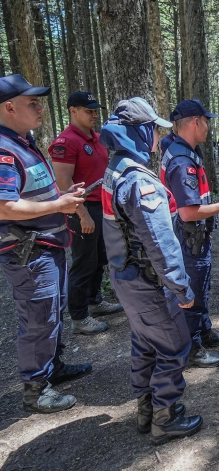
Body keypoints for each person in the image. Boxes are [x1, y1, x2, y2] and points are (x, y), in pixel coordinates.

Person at [100, 97, 202, 444]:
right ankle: (165, 418)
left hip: (126, 277)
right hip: (148, 281)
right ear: (141, 132)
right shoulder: (139, 181)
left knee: (144, 342)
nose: (158, 136)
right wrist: (181, 287)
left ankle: (146, 409)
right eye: (154, 130)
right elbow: (160, 243)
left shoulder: (114, 169)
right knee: (174, 346)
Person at [0, 74, 91, 413]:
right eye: (33, 103)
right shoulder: (4, 149)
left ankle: (52, 367)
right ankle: (36, 389)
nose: (41, 109)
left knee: (52, 312)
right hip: (29, 253)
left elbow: (29, 192)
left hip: (47, 248)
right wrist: (58, 206)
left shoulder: (23, 142)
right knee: (39, 319)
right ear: (10, 107)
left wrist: (62, 195)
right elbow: (5, 206)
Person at [161, 99, 219, 368]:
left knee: (201, 287)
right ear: (195, 122)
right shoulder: (182, 161)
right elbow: (188, 212)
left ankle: (203, 330)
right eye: (207, 122)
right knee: (192, 291)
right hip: (188, 238)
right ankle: (193, 347)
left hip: (194, 236)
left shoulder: (184, 151)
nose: (209, 127)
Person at [48, 91, 123, 336]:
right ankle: (79, 316)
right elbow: (64, 182)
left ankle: (94, 300)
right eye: (88, 111)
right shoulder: (66, 142)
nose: (94, 115)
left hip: (102, 207)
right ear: (73, 111)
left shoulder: (97, 138)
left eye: (95, 111)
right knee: (83, 262)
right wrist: (82, 214)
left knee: (100, 257)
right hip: (83, 209)